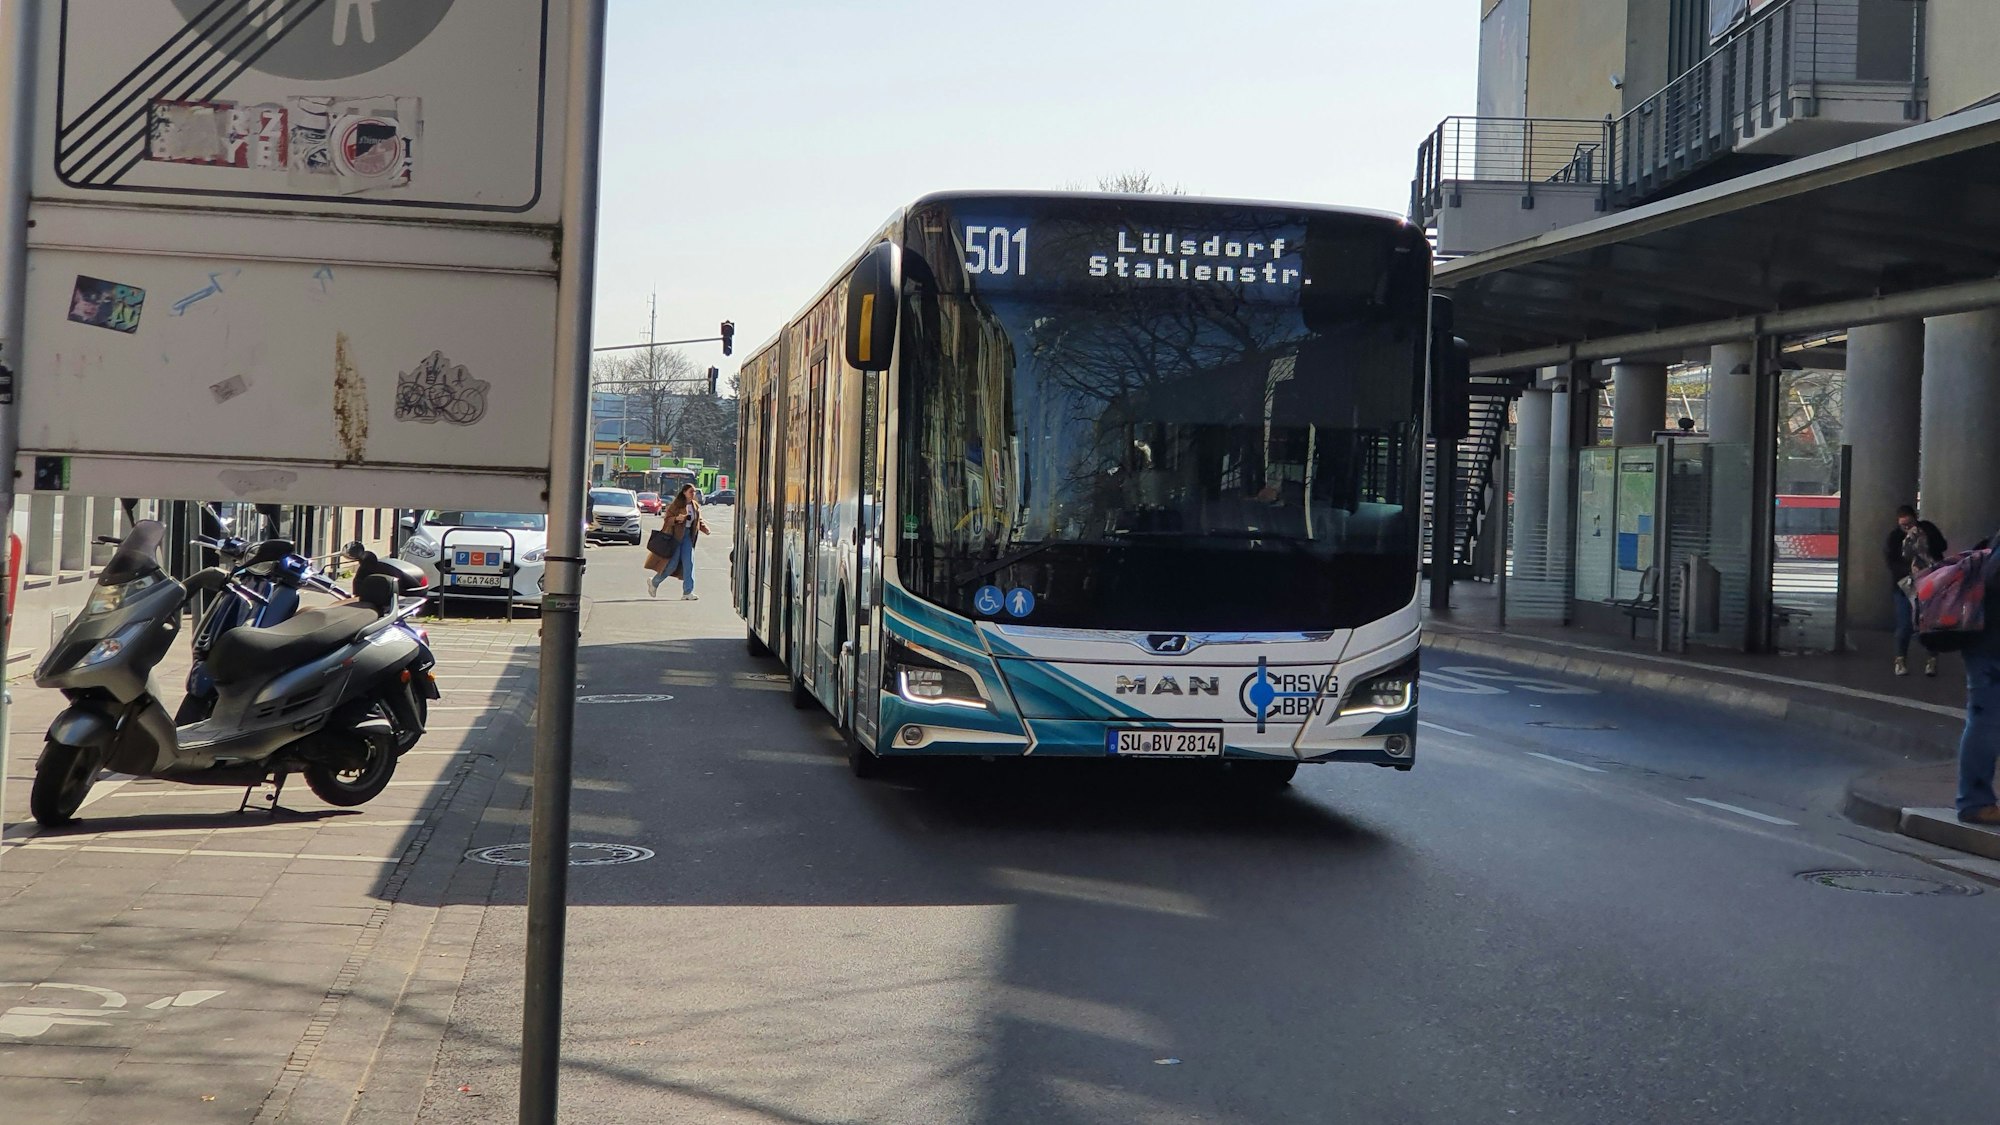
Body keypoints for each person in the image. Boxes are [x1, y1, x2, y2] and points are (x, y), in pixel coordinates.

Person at [1956, 537, 2000, 825]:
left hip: (1985, 646)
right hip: (1991, 650)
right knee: (1985, 723)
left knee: (1985, 721)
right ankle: (1974, 802)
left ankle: (1974, 799)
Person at [1885, 504, 1946, 677]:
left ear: (1915, 519)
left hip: (1929, 581)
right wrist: (1909, 569)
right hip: (1905, 585)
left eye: (1909, 523)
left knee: (1930, 623)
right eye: (1903, 525)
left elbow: (1942, 545)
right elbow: (1891, 562)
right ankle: (1900, 659)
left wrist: (1925, 536)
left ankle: (1932, 660)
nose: (1906, 528)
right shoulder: (1895, 537)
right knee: (1905, 624)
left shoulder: (1927, 529)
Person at [645, 484, 710, 600]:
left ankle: (687, 592)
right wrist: (676, 519)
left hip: (687, 537)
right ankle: (654, 582)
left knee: (689, 563)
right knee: (672, 564)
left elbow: (698, 520)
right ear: (684, 492)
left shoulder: (694, 505)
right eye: (691, 491)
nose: (693, 494)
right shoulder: (677, 505)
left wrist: (705, 529)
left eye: (694, 492)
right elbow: (667, 519)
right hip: (675, 537)